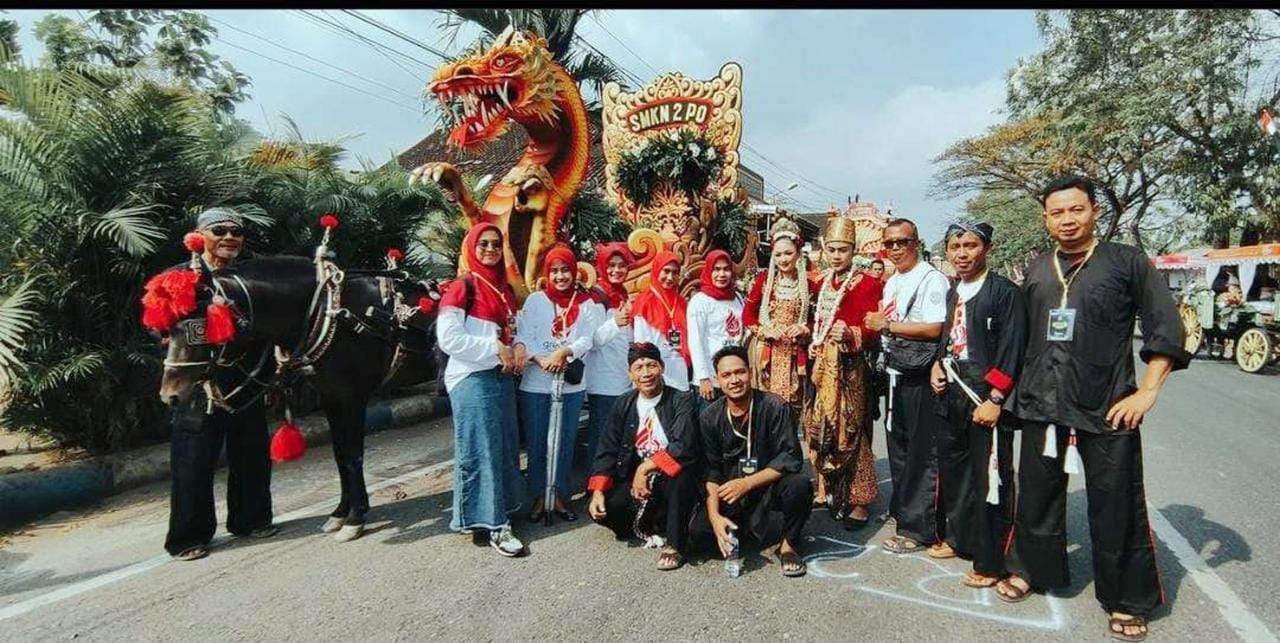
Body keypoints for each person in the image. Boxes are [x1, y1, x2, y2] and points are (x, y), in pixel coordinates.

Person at [998, 176, 1190, 642]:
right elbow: (1018, 337)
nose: (1067, 220)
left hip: (1107, 403)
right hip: (1042, 401)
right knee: (1038, 496)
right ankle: (1031, 568)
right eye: (1057, 213)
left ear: (1094, 211)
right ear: (1046, 218)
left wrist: (1147, 391)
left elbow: (1165, 325)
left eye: (1076, 210)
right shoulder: (1040, 268)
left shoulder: (1126, 262)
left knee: (1115, 502)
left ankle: (1126, 599)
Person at [164, 208, 276, 561]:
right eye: (220, 230)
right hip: (197, 383)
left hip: (243, 378)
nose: (230, 237)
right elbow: (160, 328)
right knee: (193, 460)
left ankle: (251, 519)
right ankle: (188, 536)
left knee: (252, 451)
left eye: (237, 231)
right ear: (199, 236)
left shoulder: (251, 279)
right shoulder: (178, 278)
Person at [928, 222, 1028, 589]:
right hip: (952, 395)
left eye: (970, 245)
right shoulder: (954, 291)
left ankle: (991, 560)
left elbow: (1013, 349)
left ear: (987, 248)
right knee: (955, 474)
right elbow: (947, 339)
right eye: (955, 246)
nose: (962, 253)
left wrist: (996, 399)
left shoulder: (1004, 292)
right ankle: (959, 539)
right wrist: (937, 365)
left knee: (991, 479)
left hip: (985, 398)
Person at [436, 222, 527, 557]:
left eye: (495, 244)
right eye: (483, 244)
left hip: (499, 377)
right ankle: (495, 525)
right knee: (482, 450)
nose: (490, 249)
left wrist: (517, 346)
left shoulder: (502, 288)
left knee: (503, 447)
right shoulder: (463, 286)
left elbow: (511, 331)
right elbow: (449, 339)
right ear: (471, 246)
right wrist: (494, 347)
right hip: (472, 378)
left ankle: (493, 512)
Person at [864, 217, 951, 557]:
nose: (896, 249)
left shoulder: (931, 278)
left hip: (919, 374)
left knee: (920, 452)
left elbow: (935, 328)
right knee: (898, 447)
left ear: (916, 242)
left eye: (902, 242)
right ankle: (903, 510)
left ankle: (919, 528)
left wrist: (889, 324)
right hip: (896, 370)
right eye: (890, 244)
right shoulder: (894, 281)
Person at [697, 345, 814, 578]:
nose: (734, 380)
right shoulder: (709, 416)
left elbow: (790, 457)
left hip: (767, 484)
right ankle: (737, 528)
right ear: (717, 380)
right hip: (731, 492)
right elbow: (710, 471)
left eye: (739, 372)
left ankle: (788, 546)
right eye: (726, 375)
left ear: (750, 372)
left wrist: (748, 483)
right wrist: (714, 517)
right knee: (698, 535)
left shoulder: (774, 405)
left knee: (800, 486)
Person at [587, 342, 701, 570]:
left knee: (681, 479)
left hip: (669, 472)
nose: (646, 373)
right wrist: (598, 491)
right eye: (639, 368)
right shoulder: (624, 402)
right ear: (630, 373)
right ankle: (657, 521)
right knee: (606, 509)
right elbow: (607, 448)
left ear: (662, 368)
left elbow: (684, 446)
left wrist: (645, 468)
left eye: (651, 365)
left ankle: (675, 544)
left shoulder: (681, 400)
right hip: (635, 476)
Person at [804, 215, 883, 527]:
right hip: (822, 366)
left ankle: (861, 500)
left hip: (852, 368)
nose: (837, 255)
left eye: (843, 250)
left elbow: (875, 328)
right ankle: (830, 490)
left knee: (851, 431)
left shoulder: (868, 283)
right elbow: (815, 322)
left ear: (854, 250)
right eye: (832, 249)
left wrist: (852, 332)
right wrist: (813, 339)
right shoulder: (821, 283)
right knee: (822, 428)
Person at [514, 244, 601, 522]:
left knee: (565, 441)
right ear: (547, 274)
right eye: (555, 271)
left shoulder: (584, 304)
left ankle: (560, 496)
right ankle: (540, 497)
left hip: (571, 384)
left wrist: (565, 352)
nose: (561, 276)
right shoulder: (536, 301)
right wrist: (541, 360)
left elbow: (587, 338)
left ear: (574, 272)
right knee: (539, 442)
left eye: (565, 270)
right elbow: (524, 335)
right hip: (537, 383)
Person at [744, 216, 813, 415]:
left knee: (793, 409)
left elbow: (816, 320)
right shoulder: (764, 281)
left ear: (798, 254)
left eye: (788, 253)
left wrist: (804, 328)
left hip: (795, 355)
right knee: (765, 409)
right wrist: (765, 330)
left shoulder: (809, 285)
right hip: (767, 353)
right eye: (778, 254)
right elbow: (748, 316)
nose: (783, 259)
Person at [582, 242, 635, 475]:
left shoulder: (623, 294)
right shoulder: (595, 297)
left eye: (621, 265)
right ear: (602, 266)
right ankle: (595, 486)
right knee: (601, 437)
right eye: (611, 265)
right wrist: (616, 322)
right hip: (602, 382)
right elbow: (591, 340)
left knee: (618, 438)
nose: (616, 270)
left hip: (622, 378)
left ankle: (610, 484)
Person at [688, 249, 746, 408]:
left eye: (726, 269)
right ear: (708, 271)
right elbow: (695, 340)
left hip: (734, 378)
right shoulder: (700, 301)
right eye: (716, 269)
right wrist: (703, 378)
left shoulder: (737, 298)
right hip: (711, 379)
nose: (722, 274)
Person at [632, 251, 691, 391]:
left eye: (675, 272)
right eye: (666, 271)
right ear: (657, 270)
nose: (670, 277)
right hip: (655, 376)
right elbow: (641, 345)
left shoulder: (681, 303)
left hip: (680, 373)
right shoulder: (645, 301)